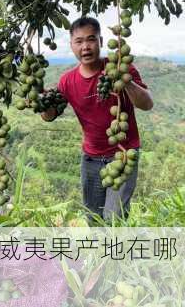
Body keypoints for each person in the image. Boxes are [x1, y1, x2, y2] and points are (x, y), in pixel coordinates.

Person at [41, 17, 153, 222]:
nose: (85, 46)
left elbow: (147, 104)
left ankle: (116, 252)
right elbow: (49, 116)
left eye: (91, 39)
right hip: (91, 159)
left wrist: (125, 80)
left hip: (123, 155)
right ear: (72, 45)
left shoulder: (118, 67)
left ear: (101, 41)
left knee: (113, 219)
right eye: (79, 41)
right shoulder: (67, 80)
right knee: (93, 218)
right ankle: (100, 254)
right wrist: (40, 101)